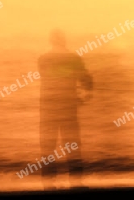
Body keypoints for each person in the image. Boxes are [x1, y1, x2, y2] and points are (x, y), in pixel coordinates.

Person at [38, 28, 92, 190]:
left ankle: (48, 181)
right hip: (68, 105)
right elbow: (86, 80)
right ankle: (76, 181)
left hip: (47, 105)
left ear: (51, 41)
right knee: (72, 143)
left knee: (48, 143)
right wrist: (84, 97)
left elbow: (47, 78)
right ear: (64, 40)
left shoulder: (43, 59)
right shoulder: (74, 58)